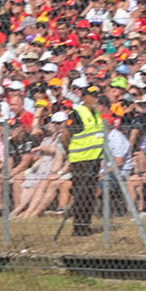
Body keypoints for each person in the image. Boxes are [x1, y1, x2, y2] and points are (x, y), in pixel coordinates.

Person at [66, 97, 105, 237]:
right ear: (85, 98)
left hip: (94, 159)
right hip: (80, 160)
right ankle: (78, 227)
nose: (96, 99)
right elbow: (66, 135)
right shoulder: (77, 113)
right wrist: (70, 152)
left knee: (89, 193)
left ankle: (86, 225)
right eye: (92, 96)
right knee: (81, 194)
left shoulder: (97, 114)